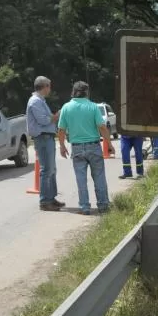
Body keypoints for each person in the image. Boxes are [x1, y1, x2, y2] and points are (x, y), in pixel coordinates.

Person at [58, 81, 114, 215]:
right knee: (99, 177)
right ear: (87, 92)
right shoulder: (93, 107)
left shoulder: (66, 107)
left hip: (76, 148)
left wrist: (62, 146)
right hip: (94, 146)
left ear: (73, 92)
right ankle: (103, 206)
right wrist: (110, 144)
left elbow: (61, 129)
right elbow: (102, 127)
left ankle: (84, 207)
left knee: (81, 179)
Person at [26, 76, 65, 211]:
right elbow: (43, 120)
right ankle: (45, 201)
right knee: (46, 170)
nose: (50, 88)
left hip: (47, 138)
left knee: (51, 169)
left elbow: (45, 119)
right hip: (42, 138)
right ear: (43, 87)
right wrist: (56, 116)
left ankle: (51, 198)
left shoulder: (40, 100)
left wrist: (53, 117)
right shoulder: (35, 101)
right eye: (49, 86)